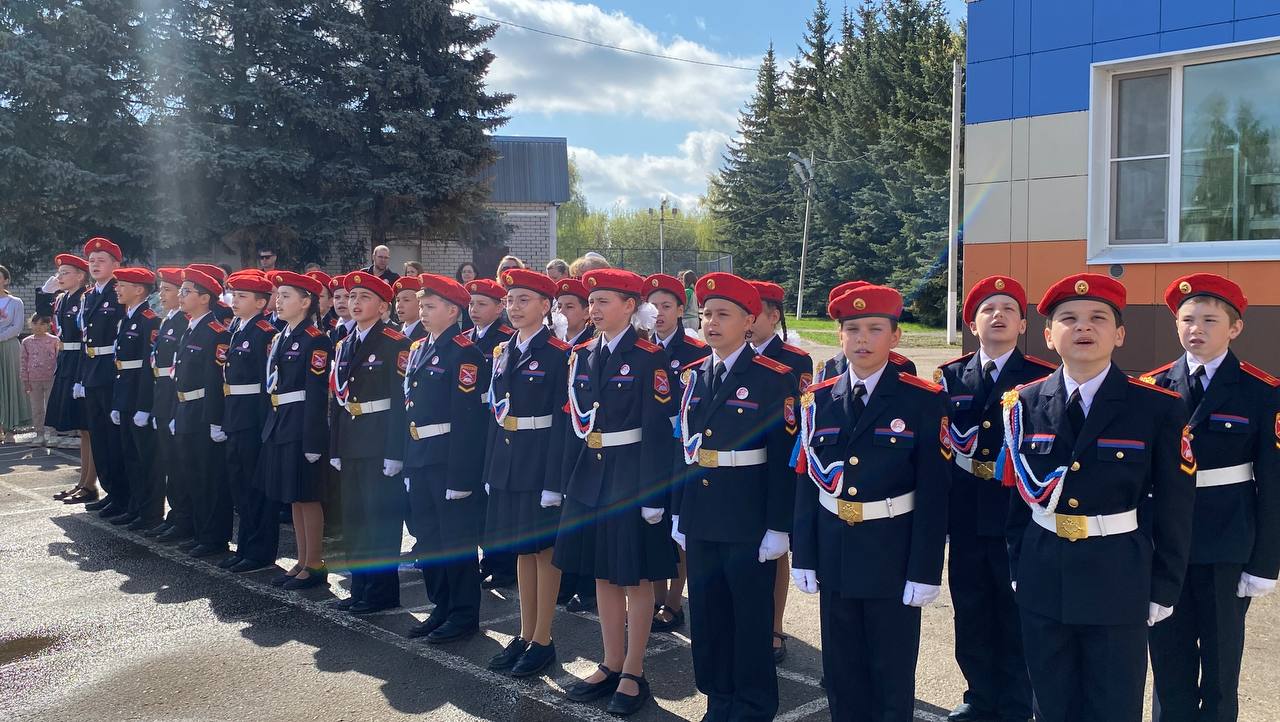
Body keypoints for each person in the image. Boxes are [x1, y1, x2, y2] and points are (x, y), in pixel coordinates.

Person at [1003, 273, 1195, 722]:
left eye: (1098, 318)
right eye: (1068, 319)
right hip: (1043, 574)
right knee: (1051, 703)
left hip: (1118, 577)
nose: (1083, 327)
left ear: (1120, 334)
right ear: (1048, 336)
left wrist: (1164, 586)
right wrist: (1018, 568)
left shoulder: (1157, 407)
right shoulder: (1023, 404)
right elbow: (1017, 501)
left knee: (1114, 703)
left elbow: (1175, 505)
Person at [1144, 274, 1280, 722]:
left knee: (1222, 663)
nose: (1196, 328)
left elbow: (1273, 484)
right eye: (1187, 320)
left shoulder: (1262, 391)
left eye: (1209, 320)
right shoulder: (1152, 387)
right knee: (1168, 659)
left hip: (1227, 542)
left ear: (1235, 328)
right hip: (1165, 542)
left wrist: (1265, 564)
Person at [669, 272, 796, 722]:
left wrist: (779, 526)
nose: (711, 323)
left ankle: (754, 705)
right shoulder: (693, 375)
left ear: (749, 321)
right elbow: (685, 449)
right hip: (702, 515)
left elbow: (783, 460)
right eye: (706, 314)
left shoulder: (772, 379)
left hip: (747, 518)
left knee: (749, 617)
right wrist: (679, 511)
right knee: (708, 615)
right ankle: (718, 698)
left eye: (723, 314)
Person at [555, 268, 676, 716]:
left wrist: (652, 496)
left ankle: (634, 670)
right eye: (592, 302)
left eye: (604, 301)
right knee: (604, 574)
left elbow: (658, 432)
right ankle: (610, 661)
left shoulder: (648, 358)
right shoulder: (582, 353)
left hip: (631, 478)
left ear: (630, 306)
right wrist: (567, 483)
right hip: (592, 477)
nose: (594, 309)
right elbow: (575, 425)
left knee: (635, 576)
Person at [936, 276, 1053, 722]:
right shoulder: (950, 376)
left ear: (1023, 324)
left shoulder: (1041, 377)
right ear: (972, 323)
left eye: (1008, 309)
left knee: (1015, 609)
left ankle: (1017, 703)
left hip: (1015, 508)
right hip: (965, 510)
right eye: (988, 309)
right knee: (970, 608)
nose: (998, 315)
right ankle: (980, 696)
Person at [478, 269, 569, 671]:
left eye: (524, 300)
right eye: (510, 300)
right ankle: (525, 632)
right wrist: (490, 467)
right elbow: (495, 416)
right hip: (509, 461)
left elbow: (563, 423)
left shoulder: (559, 354)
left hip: (539, 463)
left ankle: (543, 639)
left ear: (545, 306)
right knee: (521, 549)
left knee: (543, 551)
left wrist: (554, 482)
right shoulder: (504, 350)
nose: (514, 308)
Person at [401, 274, 489, 642]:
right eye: (421, 305)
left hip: (447, 460)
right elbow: (410, 408)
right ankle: (441, 605)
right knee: (429, 538)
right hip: (420, 455)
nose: (422, 311)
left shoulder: (465, 353)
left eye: (430, 306)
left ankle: (463, 613)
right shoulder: (419, 347)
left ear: (453, 311)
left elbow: (469, 420)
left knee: (455, 541)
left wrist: (461, 476)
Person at [328, 271, 409, 614]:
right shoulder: (345, 343)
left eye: (364, 297)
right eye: (352, 297)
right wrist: (335, 446)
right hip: (351, 441)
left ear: (382, 306)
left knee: (380, 521)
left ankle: (381, 592)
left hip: (379, 442)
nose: (355, 303)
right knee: (356, 519)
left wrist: (395, 451)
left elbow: (400, 402)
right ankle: (360, 587)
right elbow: (337, 400)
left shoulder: (395, 343)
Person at [744, 280, 812, 663]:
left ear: (774, 316)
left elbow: (799, 419)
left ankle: (774, 626)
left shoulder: (795, 360)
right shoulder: (732, 354)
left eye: (756, 313)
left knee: (775, 551)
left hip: (779, 462)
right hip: (740, 470)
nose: (749, 321)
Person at [641, 273, 711, 635]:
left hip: (682, 452)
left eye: (666, 306)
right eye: (653, 306)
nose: (659, 313)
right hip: (646, 451)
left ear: (682, 310)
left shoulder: (696, 353)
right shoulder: (641, 349)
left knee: (677, 526)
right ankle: (655, 597)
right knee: (650, 526)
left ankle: (673, 600)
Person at [260, 271, 333, 590]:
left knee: (308, 494)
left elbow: (316, 394)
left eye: (286, 296)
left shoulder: (316, 339)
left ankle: (315, 564)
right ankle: (302, 561)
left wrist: (314, 439)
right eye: (278, 296)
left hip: (302, 423)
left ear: (305, 302)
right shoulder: (281, 337)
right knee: (294, 496)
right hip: (282, 421)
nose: (278, 301)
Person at [216, 270, 279, 573]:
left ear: (260, 303)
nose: (235, 301)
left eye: (242, 296)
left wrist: (264, 425)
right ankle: (245, 547)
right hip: (235, 415)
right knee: (240, 487)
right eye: (234, 295)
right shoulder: (238, 328)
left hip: (253, 419)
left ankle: (260, 551)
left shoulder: (264, 333)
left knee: (256, 489)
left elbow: (267, 385)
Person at [171, 265, 234, 558]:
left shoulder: (215, 333)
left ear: (205, 298)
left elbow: (215, 381)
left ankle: (214, 537)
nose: (181, 296)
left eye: (187, 291)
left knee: (210, 478)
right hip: (186, 409)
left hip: (203, 411)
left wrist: (215, 420)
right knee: (192, 475)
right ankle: (200, 532)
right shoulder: (191, 327)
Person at [464, 277, 518, 589]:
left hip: (496, 428)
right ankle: (487, 558)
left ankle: (504, 564)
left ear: (499, 308)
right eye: (471, 303)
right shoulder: (465, 338)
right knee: (476, 500)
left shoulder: (506, 340)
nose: (474, 309)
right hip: (472, 429)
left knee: (496, 502)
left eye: (482, 304)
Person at [78, 239, 129, 520]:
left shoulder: (118, 292)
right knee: (98, 435)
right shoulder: (89, 295)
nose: (95, 265)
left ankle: (122, 495)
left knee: (113, 436)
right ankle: (110, 491)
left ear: (116, 265)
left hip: (110, 370)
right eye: (92, 261)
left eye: (102, 260)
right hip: (92, 369)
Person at [109, 267, 161, 531]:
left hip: (139, 396)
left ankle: (150, 513)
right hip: (125, 394)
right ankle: (136, 507)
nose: (117, 289)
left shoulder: (149, 320)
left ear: (139, 290)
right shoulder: (127, 317)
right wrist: (118, 402)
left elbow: (147, 367)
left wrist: (144, 406)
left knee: (145, 459)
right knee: (130, 456)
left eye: (122, 285)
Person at [46, 254, 97, 499]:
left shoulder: (85, 298)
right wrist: (46, 292)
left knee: (87, 426)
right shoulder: (62, 299)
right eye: (59, 273)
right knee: (81, 427)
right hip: (66, 361)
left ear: (80, 276)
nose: (60, 277)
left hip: (80, 360)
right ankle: (82, 482)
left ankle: (90, 483)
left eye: (66, 272)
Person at [144, 269, 190, 540]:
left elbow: (179, 369)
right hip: (161, 393)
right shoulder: (168, 320)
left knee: (178, 463)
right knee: (169, 461)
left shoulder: (183, 322)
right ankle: (175, 515)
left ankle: (183, 518)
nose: (162, 294)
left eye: (168, 290)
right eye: (161, 289)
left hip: (173, 395)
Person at [815, 281, 916, 381]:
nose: (862, 339)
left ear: (894, 337)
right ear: (841, 336)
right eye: (852, 329)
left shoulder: (903, 368)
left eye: (875, 329)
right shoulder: (827, 370)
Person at [0, 264, 29, 443]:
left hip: (9, 347)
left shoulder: (16, 302)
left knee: (10, 384)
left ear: (6, 280)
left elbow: (17, 327)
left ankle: (10, 428)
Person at [20, 314, 57, 445]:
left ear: (48, 325)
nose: (38, 327)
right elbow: (23, 361)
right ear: (30, 324)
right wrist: (25, 380)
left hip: (51, 378)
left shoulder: (54, 340)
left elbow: (59, 360)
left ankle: (52, 433)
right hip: (33, 379)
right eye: (35, 323)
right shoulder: (26, 342)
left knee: (52, 406)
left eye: (42, 324)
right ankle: (39, 433)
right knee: (37, 408)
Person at [392, 276, 427, 341]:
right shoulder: (395, 332)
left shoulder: (428, 334)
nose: (399, 305)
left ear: (420, 303)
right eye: (398, 300)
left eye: (406, 300)